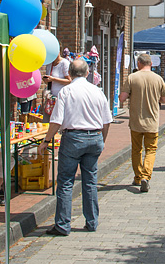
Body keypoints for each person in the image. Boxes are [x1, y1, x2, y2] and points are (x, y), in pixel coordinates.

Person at [37, 59, 112, 236]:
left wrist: (46, 141)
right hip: (94, 136)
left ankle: (63, 224)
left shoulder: (66, 91)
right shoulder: (97, 91)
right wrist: (102, 140)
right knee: (90, 181)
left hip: (73, 137)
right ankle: (92, 221)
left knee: (65, 182)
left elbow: (56, 120)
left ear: (69, 74)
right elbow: (106, 121)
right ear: (87, 73)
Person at [119, 53, 165, 192]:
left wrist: (130, 94)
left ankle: (137, 176)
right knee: (151, 149)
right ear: (151, 64)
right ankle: (146, 176)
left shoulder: (132, 77)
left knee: (136, 150)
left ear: (138, 64)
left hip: (136, 121)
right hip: (152, 121)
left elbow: (122, 98)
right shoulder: (158, 79)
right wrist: (155, 98)